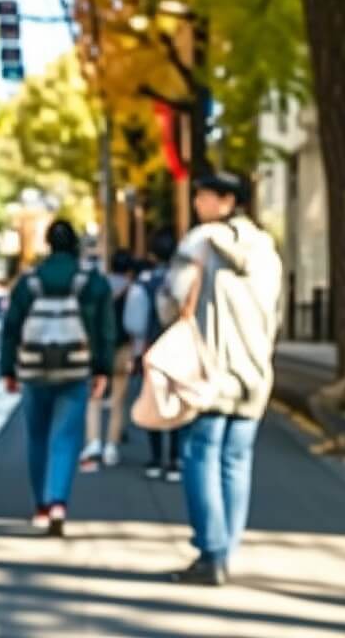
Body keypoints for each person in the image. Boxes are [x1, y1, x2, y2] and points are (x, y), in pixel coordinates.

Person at [165, 171, 282, 586]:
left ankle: (211, 552)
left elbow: (172, 300)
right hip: (254, 371)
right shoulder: (267, 249)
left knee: (200, 455)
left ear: (227, 201)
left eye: (203, 196)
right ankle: (226, 551)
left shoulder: (201, 243)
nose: (197, 204)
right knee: (236, 461)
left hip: (210, 370)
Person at [1, 220, 116, 537]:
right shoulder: (91, 282)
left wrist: (7, 370)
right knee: (65, 437)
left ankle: (39, 504)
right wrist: (103, 369)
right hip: (76, 366)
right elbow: (106, 328)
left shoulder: (29, 282)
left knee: (37, 435)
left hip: (34, 367)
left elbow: (12, 328)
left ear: (48, 243)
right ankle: (58, 502)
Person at [124, 226, 181, 481]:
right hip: (181, 349)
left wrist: (136, 352)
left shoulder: (143, 284)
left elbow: (133, 323)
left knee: (154, 400)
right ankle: (177, 458)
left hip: (152, 349)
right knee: (180, 401)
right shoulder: (183, 278)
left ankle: (157, 458)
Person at [80, 249, 138, 472]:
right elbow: (136, 323)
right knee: (117, 400)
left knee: (93, 396)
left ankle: (93, 442)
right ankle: (111, 446)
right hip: (123, 346)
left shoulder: (98, 287)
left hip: (98, 347)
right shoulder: (132, 289)